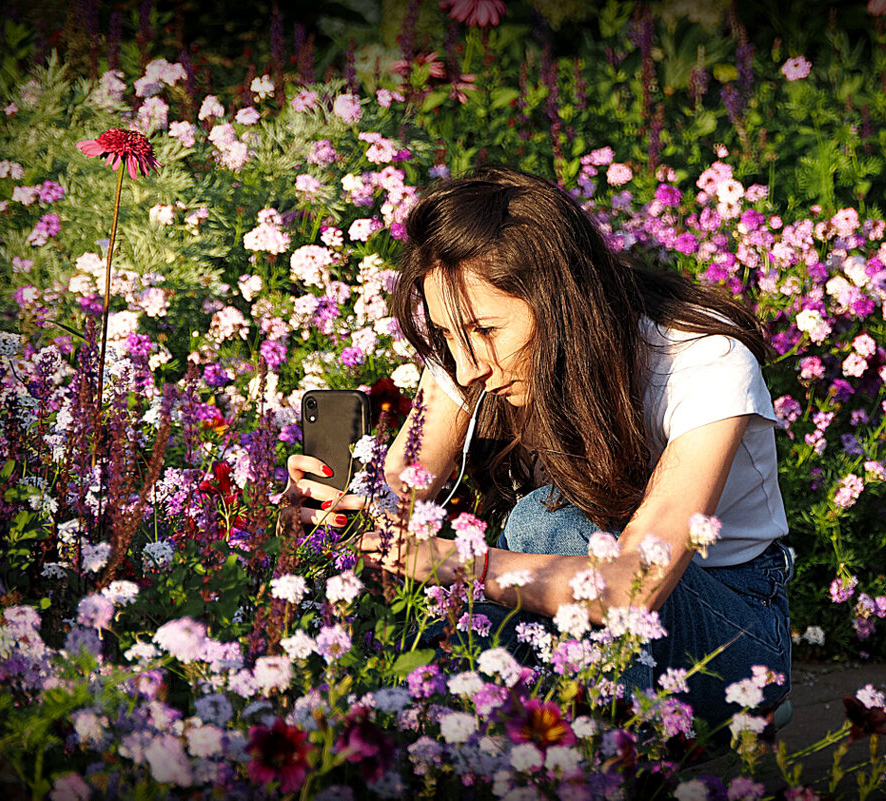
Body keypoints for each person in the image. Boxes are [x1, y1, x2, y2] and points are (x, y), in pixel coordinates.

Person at [283, 166, 792, 729]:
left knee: (545, 524)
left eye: (484, 331)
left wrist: (447, 559)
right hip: (574, 611)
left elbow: (633, 585)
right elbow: (400, 490)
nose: (469, 366)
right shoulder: (470, 353)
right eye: (449, 336)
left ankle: (594, 763)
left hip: (732, 632)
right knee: (426, 637)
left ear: (559, 301)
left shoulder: (702, 361)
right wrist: (331, 513)